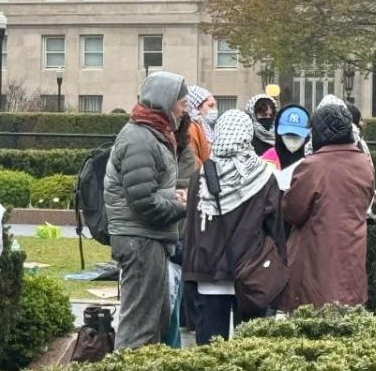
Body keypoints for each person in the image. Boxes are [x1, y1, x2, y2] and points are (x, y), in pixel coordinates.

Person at [182, 110, 285, 344]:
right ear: (247, 135)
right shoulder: (263, 175)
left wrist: (190, 275)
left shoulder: (201, 176)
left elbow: (191, 232)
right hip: (251, 273)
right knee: (250, 352)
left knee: (210, 354)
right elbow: (275, 229)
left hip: (209, 275)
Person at [104, 71, 189, 350]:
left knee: (155, 322)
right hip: (139, 239)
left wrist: (172, 194)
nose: (184, 107)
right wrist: (180, 205)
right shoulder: (140, 137)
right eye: (181, 101)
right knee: (139, 327)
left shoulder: (154, 133)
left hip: (147, 238)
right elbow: (142, 202)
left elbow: (147, 190)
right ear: (166, 102)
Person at [281, 103, 375, 312]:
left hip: (314, 260)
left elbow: (292, 212)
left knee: (312, 327)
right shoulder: (363, 164)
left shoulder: (313, 166)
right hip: (352, 257)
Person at [164, 112, 199, 348]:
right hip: (159, 235)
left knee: (174, 296)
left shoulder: (185, 154)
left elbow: (182, 193)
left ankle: (172, 348)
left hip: (178, 234)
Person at [260, 105, 310, 179]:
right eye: (287, 136)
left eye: (298, 137)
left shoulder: (311, 161)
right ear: (278, 135)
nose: (292, 143)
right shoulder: (266, 161)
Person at [187, 85, 217, 164]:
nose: (215, 110)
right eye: (210, 106)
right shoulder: (191, 128)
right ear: (197, 107)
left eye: (215, 106)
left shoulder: (207, 126)